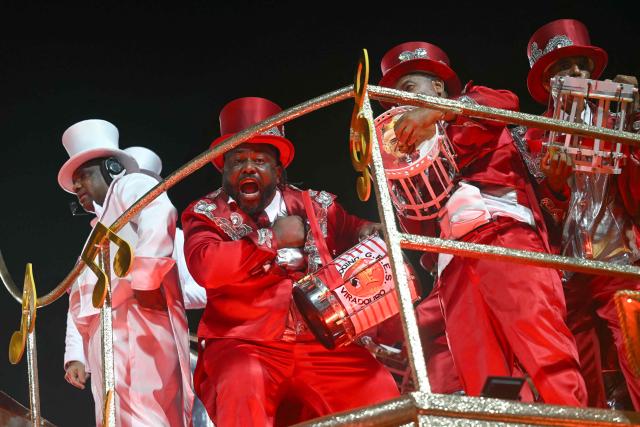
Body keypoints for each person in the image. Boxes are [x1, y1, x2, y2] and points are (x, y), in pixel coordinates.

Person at [377, 41, 587, 406]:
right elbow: (416, 236)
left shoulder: (475, 103)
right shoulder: (405, 157)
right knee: (487, 381)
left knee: (545, 355)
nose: (399, 101)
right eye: (393, 97)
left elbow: (507, 101)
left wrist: (439, 112)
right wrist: (400, 181)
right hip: (452, 263)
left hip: (507, 238)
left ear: (439, 88)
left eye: (408, 89)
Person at [181, 97, 400, 427]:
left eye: (259, 160)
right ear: (223, 170)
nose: (248, 168)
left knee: (376, 385)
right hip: (245, 343)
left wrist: (367, 229)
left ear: (278, 170)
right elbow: (205, 266)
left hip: (323, 342)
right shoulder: (205, 213)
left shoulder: (314, 204)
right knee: (242, 379)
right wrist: (270, 241)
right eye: (237, 160)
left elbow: (351, 226)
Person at [519, 19, 640, 410]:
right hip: (562, 267)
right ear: (546, 80)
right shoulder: (530, 134)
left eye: (580, 66)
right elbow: (534, 211)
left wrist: (636, 126)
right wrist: (554, 187)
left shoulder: (617, 116)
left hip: (618, 253)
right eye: (561, 67)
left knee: (637, 346)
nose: (574, 74)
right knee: (572, 366)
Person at [59, 119, 192, 426]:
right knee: (115, 417)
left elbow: (158, 213)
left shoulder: (131, 185)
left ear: (112, 169)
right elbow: (78, 297)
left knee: (144, 413)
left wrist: (145, 279)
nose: (76, 186)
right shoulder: (98, 231)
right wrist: (76, 353)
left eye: (82, 176)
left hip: (136, 320)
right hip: (107, 332)